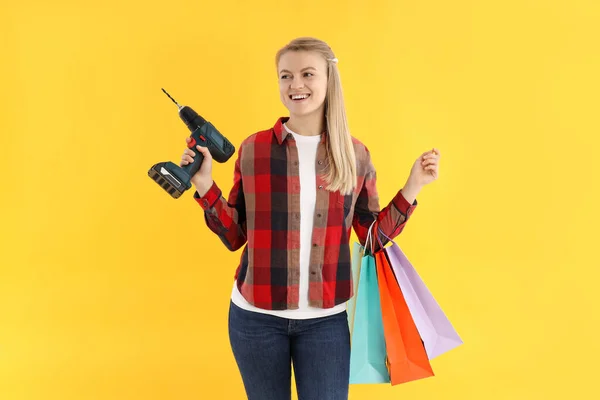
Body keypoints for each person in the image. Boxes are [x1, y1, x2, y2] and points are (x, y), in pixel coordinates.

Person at [179, 37, 441, 400]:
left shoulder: (355, 155)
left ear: (329, 80)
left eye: (307, 74)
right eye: (285, 76)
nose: (295, 85)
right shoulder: (253, 149)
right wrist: (206, 186)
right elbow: (235, 235)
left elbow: (370, 239)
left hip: (326, 324)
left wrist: (413, 186)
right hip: (255, 318)